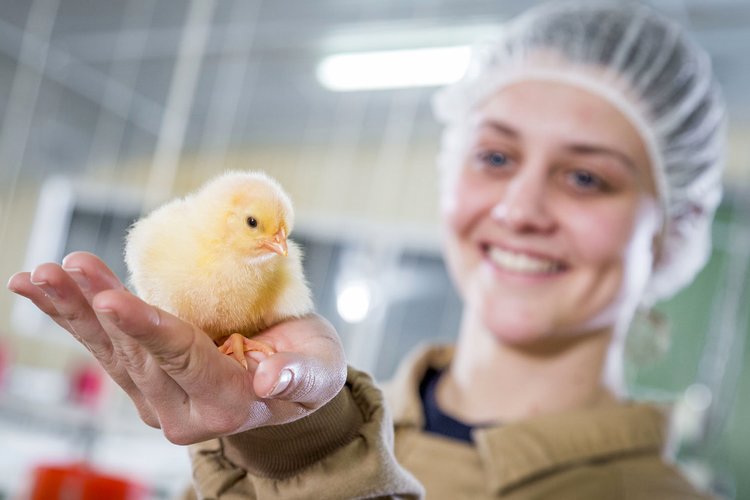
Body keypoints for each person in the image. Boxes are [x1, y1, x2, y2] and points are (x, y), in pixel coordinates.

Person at [7, 1, 726, 498]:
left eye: (585, 176)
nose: (518, 209)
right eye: (496, 158)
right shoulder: (301, 413)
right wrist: (289, 442)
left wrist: (315, 458)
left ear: (677, 223)